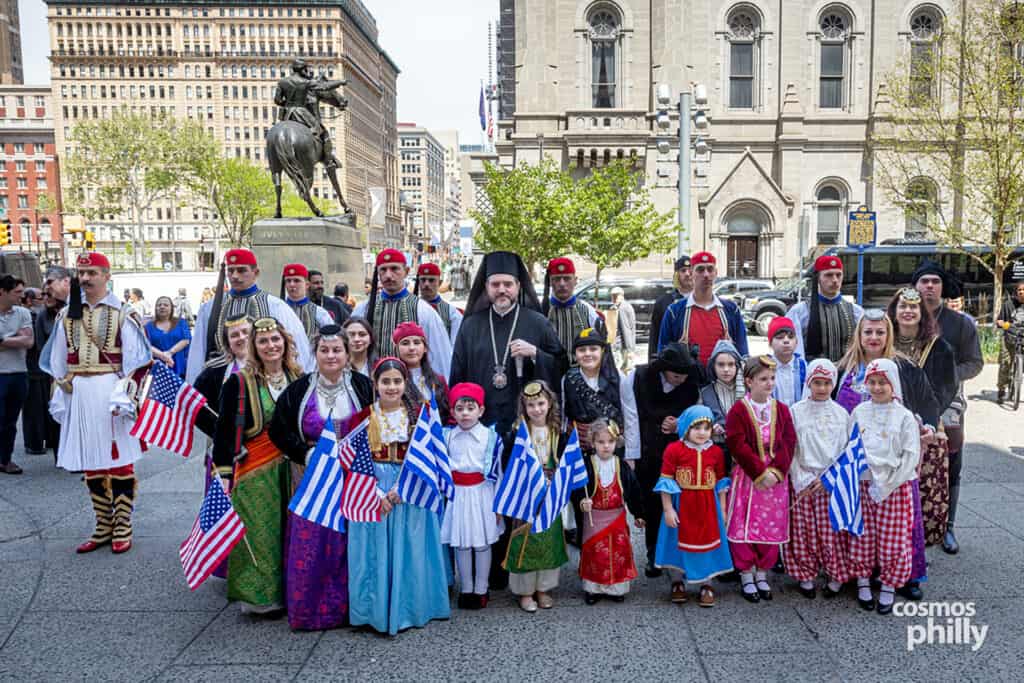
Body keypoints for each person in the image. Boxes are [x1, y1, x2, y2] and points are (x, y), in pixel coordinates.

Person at [268, 324, 373, 630]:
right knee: (314, 540)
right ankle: (311, 609)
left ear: (347, 352)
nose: (331, 355)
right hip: (310, 474)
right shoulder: (299, 389)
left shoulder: (365, 386)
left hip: (353, 474)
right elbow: (278, 430)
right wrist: (305, 453)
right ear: (314, 354)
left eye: (337, 350)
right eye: (324, 350)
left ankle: (354, 607)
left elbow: (376, 422)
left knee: (351, 538)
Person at [46, 253, 151, 553]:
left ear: (106, 275)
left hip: (111, 392)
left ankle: (123, 525)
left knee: (118, 463)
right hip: (79, 392)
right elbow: (57, 358)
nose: (86, 278)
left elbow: (136, 361)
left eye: (92, 272)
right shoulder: (66, 314)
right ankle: (103, 523)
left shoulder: (123, 313)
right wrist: (61, 388)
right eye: (81, 272)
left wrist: (125, 395)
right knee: (90, 462)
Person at [834, 310, 940, 601]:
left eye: (880, 332)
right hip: (859, 465)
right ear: (859, 334)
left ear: (888, 335)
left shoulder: (905, 367)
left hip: (896, 464)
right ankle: (858, 573)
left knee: (899, 524)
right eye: (868, 332)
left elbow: (927, 401)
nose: (873, 338)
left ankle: (904, 576)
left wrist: (927, 425)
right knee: (862, 524)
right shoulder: (844, 368)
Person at [346, 357, 451, 635]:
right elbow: (354, 461)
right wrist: (376, 491)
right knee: (373, 551)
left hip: (408, 489)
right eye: (385, 381)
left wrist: (402, 489)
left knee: (412, 548)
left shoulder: (419, 414)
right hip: (372, 489)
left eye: (397, 381)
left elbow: (428, 460)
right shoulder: (362, 417)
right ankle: (374, 609)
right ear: (375, 384)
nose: (391, 387)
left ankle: (411, 607)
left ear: (406, 383)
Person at [212, 317, 303, 614]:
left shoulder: (299, 377)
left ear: (286, 343)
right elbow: (223, 432)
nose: (271, 346)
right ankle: (261, 598)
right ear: (254, 346)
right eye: (263, 341)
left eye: (276, 339)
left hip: (292, 469)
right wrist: (224, 475)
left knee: (290, 533)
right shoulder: (239, 382)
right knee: (261, 534)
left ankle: (293, 592)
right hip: (255, 470)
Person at [449, 251, 566, 437]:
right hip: (478, 425)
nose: (502, 289)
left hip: (526, 425)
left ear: (518, 286)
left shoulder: (538, 323)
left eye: (508, 284)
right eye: (495, 284)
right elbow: (457, 374)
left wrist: (536, 354)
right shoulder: (470, 326)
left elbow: (561, 365)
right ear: (486, 287)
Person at [913, 260, 983, 555]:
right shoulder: (905, 316)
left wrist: (949, 374)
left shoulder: (961, 323)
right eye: (924, 281)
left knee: (952, 465)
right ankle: (912, 525)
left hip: (949, 403)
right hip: (911, 402)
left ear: (942, 287)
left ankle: (948, 527)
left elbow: (975, 362)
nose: (929, 286)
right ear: (915, 285)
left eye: (935, 282)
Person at [847, 358, 921, 615]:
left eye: (883, 383)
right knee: (863, 536)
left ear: (893, 385)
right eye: (873, 382)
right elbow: (850, 446)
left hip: (894, 485)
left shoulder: (904, 416)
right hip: (864, 482)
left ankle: (889, 584)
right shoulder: (859, 412)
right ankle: (863, 581)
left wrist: (889, 484)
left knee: (894, 539)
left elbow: (911, 455)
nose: (877, 388)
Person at [621, 342, 702, 575]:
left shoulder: (692, 380)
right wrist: (632, 455)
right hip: (649, 448)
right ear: (664, 369)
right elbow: (631, 417)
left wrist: (681, 422)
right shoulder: (637, 378)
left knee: (682, 503)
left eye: (684, 375)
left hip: (681, 449)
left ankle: (681, 552)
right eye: (676, 375)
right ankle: (653, 553)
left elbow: (698, 413)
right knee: (653, 503)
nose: (681, 379)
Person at [887, 287, 957, 547]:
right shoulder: (884, 344)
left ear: (922, 313)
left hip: (927, 429)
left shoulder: (940, 347)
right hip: (891, 429)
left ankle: (918, 550)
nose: (907, 311)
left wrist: (923, 419)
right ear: (894, 311)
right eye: (902, 306)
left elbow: (946, 388)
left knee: (924, 492)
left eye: (913, 307)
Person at [725, 355, 796, 603]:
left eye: (772, 378)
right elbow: (736, 443)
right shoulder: (738, 411)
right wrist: (759, 472)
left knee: (770, 526)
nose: (769, 383)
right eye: (763, 379)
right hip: (748, 477)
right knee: (744, 524)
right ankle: (746, 573)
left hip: (775, 480)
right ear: (749, 381)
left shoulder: (782, 410)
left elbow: (788, 442)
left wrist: (776, 472)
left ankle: (763, 572)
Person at [187, 248, 312, 383]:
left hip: (265, 380)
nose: (234, 276)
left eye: (241, 270)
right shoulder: (210, 307)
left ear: (256, 272)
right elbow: (198, 350)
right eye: (230, 270)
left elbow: (298, 347)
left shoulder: (275, 305)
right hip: (219, 381)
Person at [784, 359, 851, 600]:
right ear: (808, 383)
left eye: (826, 383)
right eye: (817, 383)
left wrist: (829, 479)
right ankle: (806, 574)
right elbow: (790, 448)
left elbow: (845, 451)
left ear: (833, 384)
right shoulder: (796, 411)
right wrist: (800, 477)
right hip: (803, 479)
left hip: (829, 483)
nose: (822, 388)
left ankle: (834, 574)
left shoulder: (841, 414)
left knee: (830, 532)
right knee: (803, 530)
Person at [653, 405, 733, 607]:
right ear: (686, 427)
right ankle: (677, 582)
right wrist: (668, 509)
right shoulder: (674, 450)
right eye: (697, 428)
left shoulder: (715, 451)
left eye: (706, 428)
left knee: (708, 543)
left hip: (708, 505)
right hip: (682, 505)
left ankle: (706, 583)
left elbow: (721, 481)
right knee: (677, 543)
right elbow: (666, 480)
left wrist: (722, 509)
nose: (702, 433)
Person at [503, 380, 571, 613]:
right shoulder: (516, 432)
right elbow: (508, 465)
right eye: (530, 405)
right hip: (526, 494)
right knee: (526, 539)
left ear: (550, 403)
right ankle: (524, 591)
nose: (537, 409)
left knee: (548, 539)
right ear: (524, 407)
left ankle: (544, 588)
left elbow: (566, 461)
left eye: (541, 403)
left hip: (550, 493)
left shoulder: (558, 432)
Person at [440, 382, 504, 610]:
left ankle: (481, 588)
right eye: (459, 408)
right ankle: (466, 588)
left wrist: (498, 505)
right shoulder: (447, 436)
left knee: (482, 542)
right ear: (452, 412)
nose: (465, 413)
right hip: (458, 495)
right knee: (462, 543)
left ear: (481, 410)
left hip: (482, 494)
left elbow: (498, 473)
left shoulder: (491, 437)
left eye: (470, 408)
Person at [573, 418, 644, 604]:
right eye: (601, 442)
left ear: (616, 442)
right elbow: (578, 489)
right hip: (594, 518)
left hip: (616, 517)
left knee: (617, 553)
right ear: (593, 442)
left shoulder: (621, 466)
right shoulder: (586, 465)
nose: (606, 446)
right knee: (594, 553)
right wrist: (583, 502)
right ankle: (593, 589)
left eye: (610, 442)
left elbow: (633, 490)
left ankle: (616, 588)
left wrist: (639, 513)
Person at [354, 249, 452, 377]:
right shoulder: (363, 309)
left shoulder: (423, 311)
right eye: (383, 270)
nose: (388, 275)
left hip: (413, 387)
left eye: (394, 269)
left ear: (406, 272)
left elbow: (439, 356)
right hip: (371, 385)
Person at [658, 252, 749, 366]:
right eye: (700, 270)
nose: (706, 274)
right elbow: (663, 352)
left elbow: (743, 350)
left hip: (721, 382)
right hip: (688, 382)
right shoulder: (675, 311)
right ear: (691, 273)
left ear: (716, 273)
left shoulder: (731, 310)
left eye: (710, 269)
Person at [24, 266, 68, 460]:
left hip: (77, 369)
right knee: (58, 411)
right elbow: (42, 348)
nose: (46, 297)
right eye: (44, 295)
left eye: (49, 293)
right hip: (55, 373)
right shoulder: (43, 317)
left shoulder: (71, 312)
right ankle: (60, 455)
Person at [788, 255, 864, 363]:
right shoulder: (800, 312)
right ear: (818, 278)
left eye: (838, 275)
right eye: (828, 275)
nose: (834, 280)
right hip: (812, 376)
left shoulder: (856, 311)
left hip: (847, 376)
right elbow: (795, 352)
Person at [560, 327, 622, 454]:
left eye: (593, 349)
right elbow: (564, 417)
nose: (587, 354)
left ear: (603, 351)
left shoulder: (618, 378)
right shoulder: (568, 378)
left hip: (611, 448)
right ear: (575, 354)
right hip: (580, 448)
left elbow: (628, 416)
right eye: (581, 350)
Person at [0, 275, 32, 475]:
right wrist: (16, 337)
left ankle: (6, 459)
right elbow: (22, 339)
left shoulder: (22, 313)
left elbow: (29, 342)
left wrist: (3, 339)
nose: (22, 296)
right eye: (17, 292)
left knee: (10, 420)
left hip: (19, 373)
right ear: (2, 292)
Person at [542, 257, 601, 363]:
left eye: (567, 278)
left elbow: (600, 346)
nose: (562, 284)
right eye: (557, 279)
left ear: (575, 280)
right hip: (549, 373)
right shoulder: (541, 312)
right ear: (550, 282)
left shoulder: (587, 311)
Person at [698, 339, 745, 470]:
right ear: (713, 366)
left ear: (738, 366)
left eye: (731, 365)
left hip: (744, 450)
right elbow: (698, 421)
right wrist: (710, 428)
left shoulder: (747, 390)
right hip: (716, 450)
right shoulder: (705, 392)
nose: (726, 369)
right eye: (721, 364)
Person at [392, 321, 450, 423]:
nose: (412, 348)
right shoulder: (393, 382)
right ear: (396, 348)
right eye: (405, 343)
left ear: (425, 348)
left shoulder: (439, 380)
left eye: (417, 342)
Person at [648, 255, 693, 361]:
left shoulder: (703, 301)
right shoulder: (664, 302)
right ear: (676, 275)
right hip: (671, 362)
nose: (687, 274)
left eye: (690, 270)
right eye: (683, 270)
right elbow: (655, 337)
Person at [280, 263, 334, 345]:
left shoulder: (319, 312)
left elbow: (331, 339)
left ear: (307, 284)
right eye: (288, 281)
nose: (292, 284)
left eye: (296, 281)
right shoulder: (278, 310)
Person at [415, 262, 462, 344]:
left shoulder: (452, 313)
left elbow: (455, 345)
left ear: (439, 283)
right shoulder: (410, 307)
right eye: (423, 280)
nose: (426, 284)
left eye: (431, 280)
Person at [145, 295, 191, 377]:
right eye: (159, 305)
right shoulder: (148, 326)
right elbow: (146, 345)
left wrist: (170, 352)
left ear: (171, 308)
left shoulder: (181, 322)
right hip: (158, 368)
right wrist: (163, 356)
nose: (162, 307)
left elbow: (186, 340)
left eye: (166, 305)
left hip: (179, 367)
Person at [768, 317, 806, 406]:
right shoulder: (764, 367)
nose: (786, 341)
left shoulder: (803, 367)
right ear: (770, 343)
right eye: (780, 337)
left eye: (791, 337)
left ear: (796, 342)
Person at [997, 281, 1024, 401]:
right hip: (1009, 338)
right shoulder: (1008, 305)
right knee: (1005, 363)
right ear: (1016, 292)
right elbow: (999, 321)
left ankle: (1017, 385)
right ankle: (1002, 389)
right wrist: (1003, 324)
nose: (1022, 292)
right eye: (1019, 290)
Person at [609, 286, 636, 373]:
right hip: (619, 344)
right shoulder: (617, 307)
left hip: (622, 345)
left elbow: (626, 330)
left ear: (621, 296)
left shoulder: (623, 308)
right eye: (612, 296)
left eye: (615, 296)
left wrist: (630, 349)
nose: (613, 298)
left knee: (622, 370)